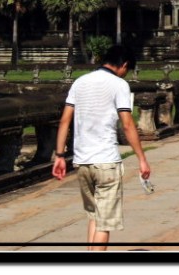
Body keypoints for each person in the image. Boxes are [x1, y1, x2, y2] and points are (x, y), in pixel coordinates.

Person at [51, 45, 151, 251]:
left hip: (82, 161)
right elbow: (127, 123)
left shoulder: (80, 82)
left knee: (94, 216)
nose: (126, 73)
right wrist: (141, 158)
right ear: (123, 65)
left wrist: (59, 155)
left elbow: (64, 121)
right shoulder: (119, 85)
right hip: (106, 161)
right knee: (105, 223)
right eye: (127, 69)